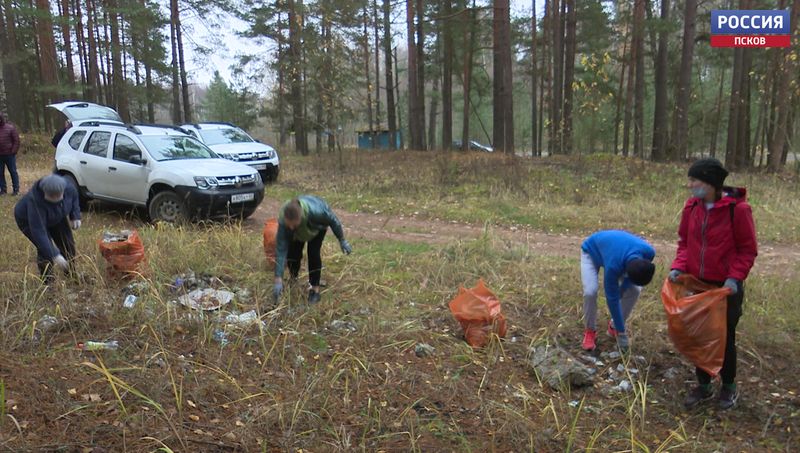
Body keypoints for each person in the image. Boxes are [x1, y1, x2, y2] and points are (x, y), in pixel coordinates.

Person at [670, 157, 757, 410]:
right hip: (698, 284)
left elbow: (747, 250)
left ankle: (728, 386)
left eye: (694, 180)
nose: (690, 185)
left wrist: (734, 277)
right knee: (699, 335)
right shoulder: (692, 207)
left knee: (724, 337)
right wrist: (678, 267)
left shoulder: (737, 210)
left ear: (710, 183)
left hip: (725, 288)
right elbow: (685, 243)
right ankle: (704, 386)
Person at [580, 230, 656, 352]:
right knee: (590, 291)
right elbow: (612, 300)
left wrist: (624, 287)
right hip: (591, 251)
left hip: (616, 250)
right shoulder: (613, 267)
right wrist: (622, 332)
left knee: (635, 290)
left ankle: (614, 326)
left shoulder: (649, 252)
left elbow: (629, 279)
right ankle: (590, 331)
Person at [273, 195, 352, 304]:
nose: (291, 228)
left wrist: (342, 239)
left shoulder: (317, 213)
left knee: (313, 253)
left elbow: (333, 220)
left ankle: (315, 290)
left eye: (293, 225)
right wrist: (278, 278)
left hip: (317, 227)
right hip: (300, 229)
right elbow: (281, 249)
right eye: (289, 225)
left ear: (300, 218)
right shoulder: (284, 221)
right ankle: (293, 277)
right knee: (293, 253)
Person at [14, 174, 82, 282]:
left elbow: (74, 199)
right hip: (28, 220)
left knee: (68, 244)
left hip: (56, 215)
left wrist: (75, 215)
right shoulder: (35, 200)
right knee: (45, 249)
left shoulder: (69, 187)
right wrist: (54, 254)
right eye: (51, 197)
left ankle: (70, 273)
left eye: (57, 197)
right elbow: (39, 231)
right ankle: (47, 280)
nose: (54, 198)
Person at [0, 113, 21, 195]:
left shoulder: (10, 128)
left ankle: (16, 189)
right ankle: (3, 189)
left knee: (13, 171)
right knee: (0, 173)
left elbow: (16, 141)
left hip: (9, 155)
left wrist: (13, 151)